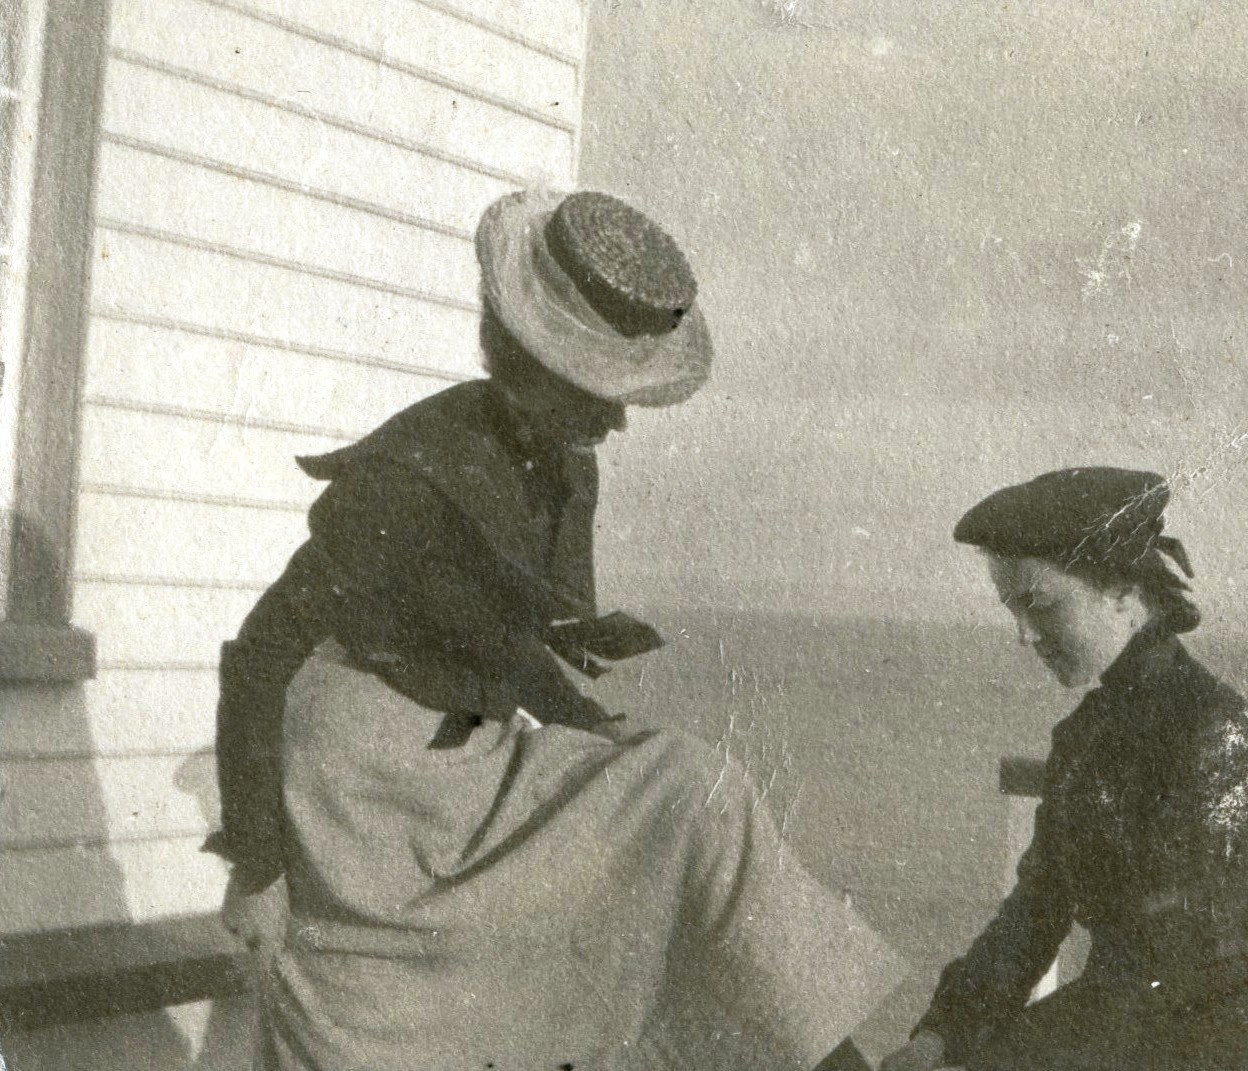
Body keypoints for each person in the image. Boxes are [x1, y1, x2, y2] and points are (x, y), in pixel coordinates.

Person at [209, 187, 902, 1071]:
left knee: (693, 788)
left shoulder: (564, 471)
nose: (616, 420)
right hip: (357, 795)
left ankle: (829, 1060)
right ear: (527, 363)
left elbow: (499, 641)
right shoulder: (409, 473)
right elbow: (260, 654)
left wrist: (593, 729)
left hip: (466, 758)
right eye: (597, 394)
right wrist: (258, 868)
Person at [881, 468, 1248, 1071]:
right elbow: (1037, 908)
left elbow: (1169, 972)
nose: (1024, 635)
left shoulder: (1214, 733)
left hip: (1241, 1040)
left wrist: (990, 1059)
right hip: (1130, 1031)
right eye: (1012, 609)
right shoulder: (1086, 738)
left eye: (1040, 604)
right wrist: (943, 1035)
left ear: (1125, 595)